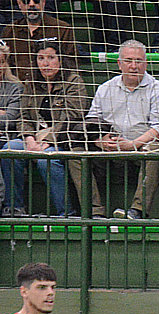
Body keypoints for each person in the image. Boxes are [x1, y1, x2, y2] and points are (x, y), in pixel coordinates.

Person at [2, 40, 100, 218]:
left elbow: (73, 116)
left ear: (60, 59)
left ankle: (66, 212)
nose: (45, 63)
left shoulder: (73, 82)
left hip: (63, 139)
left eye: (50, 58)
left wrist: (47, 141)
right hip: (34, 138)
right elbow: (23, 116)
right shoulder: (31, 83)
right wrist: (29, 138)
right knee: (10, 149)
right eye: (41, 58)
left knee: (46, 159)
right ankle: (14, 207)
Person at [84, 40, 159, 220]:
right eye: (128, 60)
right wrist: (100, 140)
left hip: (140, 148)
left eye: (138, 61)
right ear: (119, 64)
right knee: (76, 152)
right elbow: (91, 121)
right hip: (109, 149)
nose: (134, 66)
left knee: (155, 148)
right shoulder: (105, 89)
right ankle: (94, 211)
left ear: (146, 63)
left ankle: (138, 210)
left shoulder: (158, 90)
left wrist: (133, 144)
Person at [0, 0, 76, 83]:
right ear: (19, 4)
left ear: (43, 2)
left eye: (36, 1)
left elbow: (71, 64)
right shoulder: (9, 31)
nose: (31, 4)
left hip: (54, 86)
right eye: (26, 1)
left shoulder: (62, 29)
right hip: (17, 87)